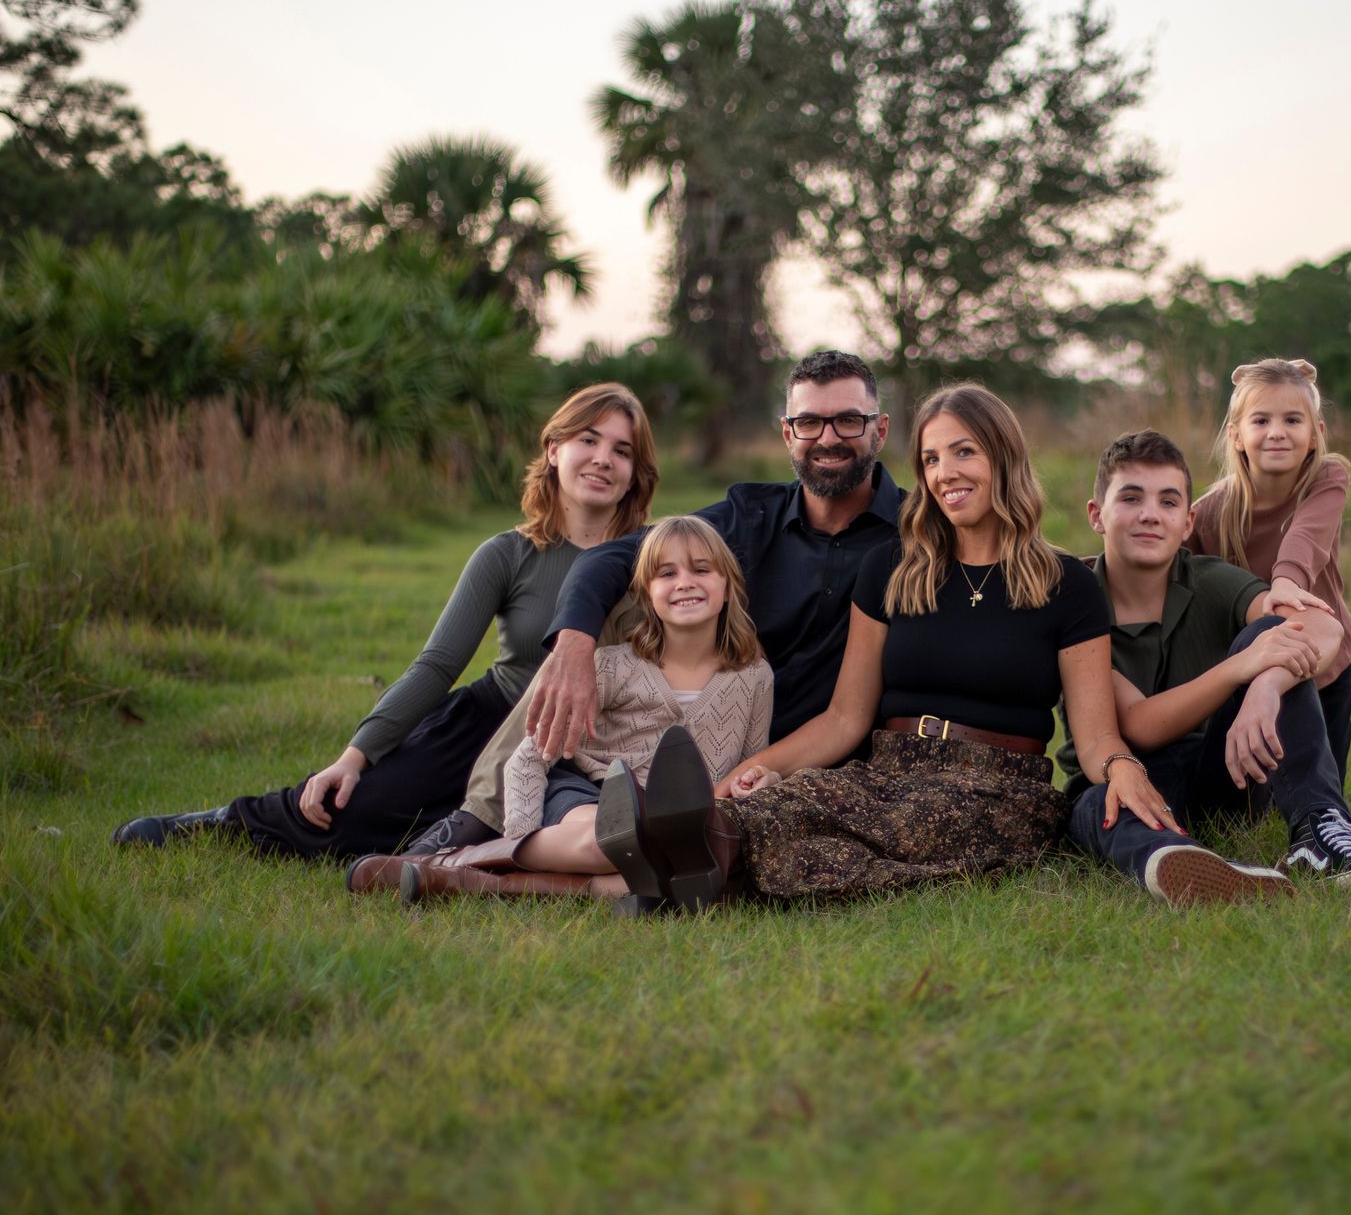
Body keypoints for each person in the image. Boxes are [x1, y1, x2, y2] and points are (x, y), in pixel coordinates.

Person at [595, 383, 1292, 913]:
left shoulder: (1066, 587)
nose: (945, 472)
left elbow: (1093, 729)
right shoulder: (892, 569)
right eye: (930, 458)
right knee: (781, 806)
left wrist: (1120, 768)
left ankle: (678, 867)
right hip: (887, 769)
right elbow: (845, 720)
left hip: (996, 787)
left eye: (963, 451)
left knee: (886, 825)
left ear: (1002, 458)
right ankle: (660, 856)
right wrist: (752, 768)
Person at [110, 383, 659, 860]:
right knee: (351, 816)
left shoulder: (653, 563)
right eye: (588, 439)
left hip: (596, 742)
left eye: (621, 450)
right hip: (487, 724)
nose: (603, 459)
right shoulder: (507, 555)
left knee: (508, 841)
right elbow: (438, 665)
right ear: (554, 447)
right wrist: (355, 755)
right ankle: (220, 823)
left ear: (636, 474)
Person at [397, 350, 907, 854]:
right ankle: (479, 816)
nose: (828, 439)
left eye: (847, 422)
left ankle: (512, 850)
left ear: (879, 430)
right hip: (695, 727)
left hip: (800, 752)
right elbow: (613, 557)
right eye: (810, 423)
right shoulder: (749, 515)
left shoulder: (917, 532)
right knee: (645, 590)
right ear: (787, 433)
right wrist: (573, 646)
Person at [347, 516, 772, 909]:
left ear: (729, 585)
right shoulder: (612, 667)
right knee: (609, 838)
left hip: (681, 825)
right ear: (645, 593)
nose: (685, 583)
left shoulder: (754, 677)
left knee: (645, 877)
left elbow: (753, 764)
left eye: (702, 570)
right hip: (587, 794)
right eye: (667, 573)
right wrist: (518, 833)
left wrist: (761, 780)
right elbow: (530, 757)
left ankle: (469, 882)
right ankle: (467, 861)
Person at [1062, 429, 1351, 887]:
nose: (1150, 516)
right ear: (1097, 515)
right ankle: (1179, 862)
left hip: (1219, 774)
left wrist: (1265, 686)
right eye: (1132, 499)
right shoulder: (1077, 601)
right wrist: (1241, 668)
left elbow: (1323, 627)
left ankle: (1319, 831)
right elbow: (1137, 724)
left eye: (1168, 502)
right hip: (1120, 774)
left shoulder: (1210, 579)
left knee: (1274, 631)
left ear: (1188, 521)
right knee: (1097, 805)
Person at [1191, 358, 1351, 785]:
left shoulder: (1326, 477)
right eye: (1261, 420)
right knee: (1256, 784)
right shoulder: (1214, 510)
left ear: (1316, 434)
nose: (1277, 432)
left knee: (1325, 783)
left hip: (1323, 659)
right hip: (1252, 656)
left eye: (1292, 419)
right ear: (1237, 436)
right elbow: (1161, 554)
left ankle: (1323, 821)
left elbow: (1306, 535)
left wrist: (1286, 581)